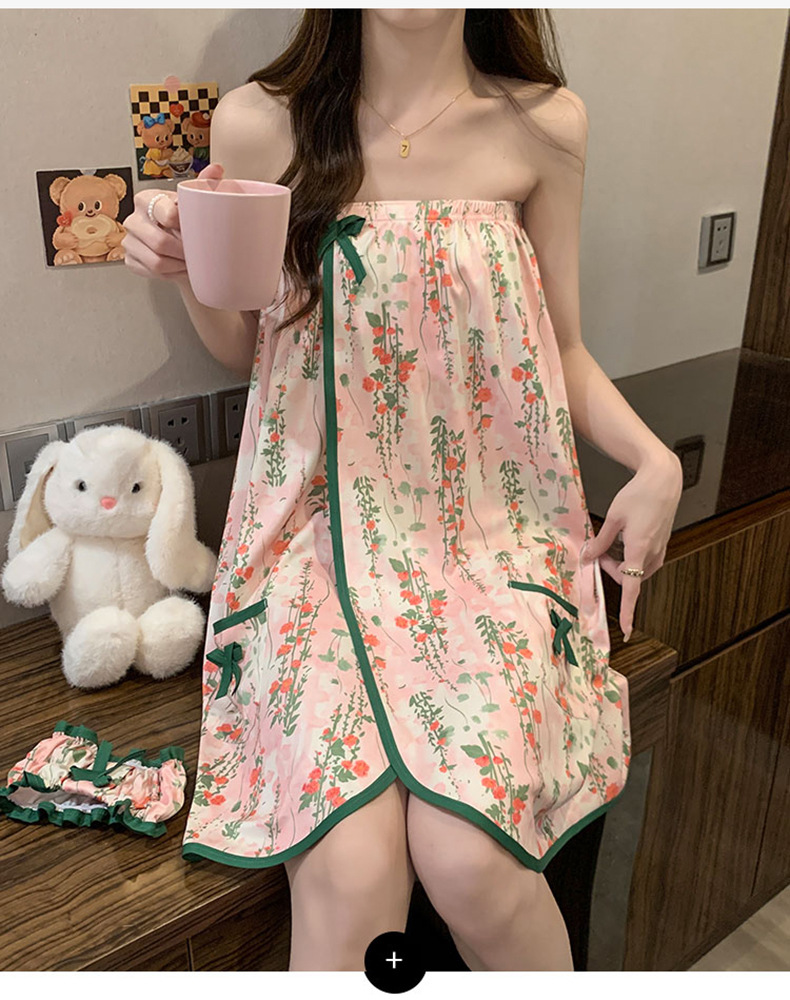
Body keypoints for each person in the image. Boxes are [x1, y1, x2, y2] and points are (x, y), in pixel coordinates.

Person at [122, 9, 683, 973]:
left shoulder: (546, 125)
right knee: (351, 870)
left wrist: (655, 462)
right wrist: (183, 270)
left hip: (486, 543)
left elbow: (562, 346)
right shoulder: (259, 122)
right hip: (314, 545)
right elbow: (245, 344)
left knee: (472, 860)